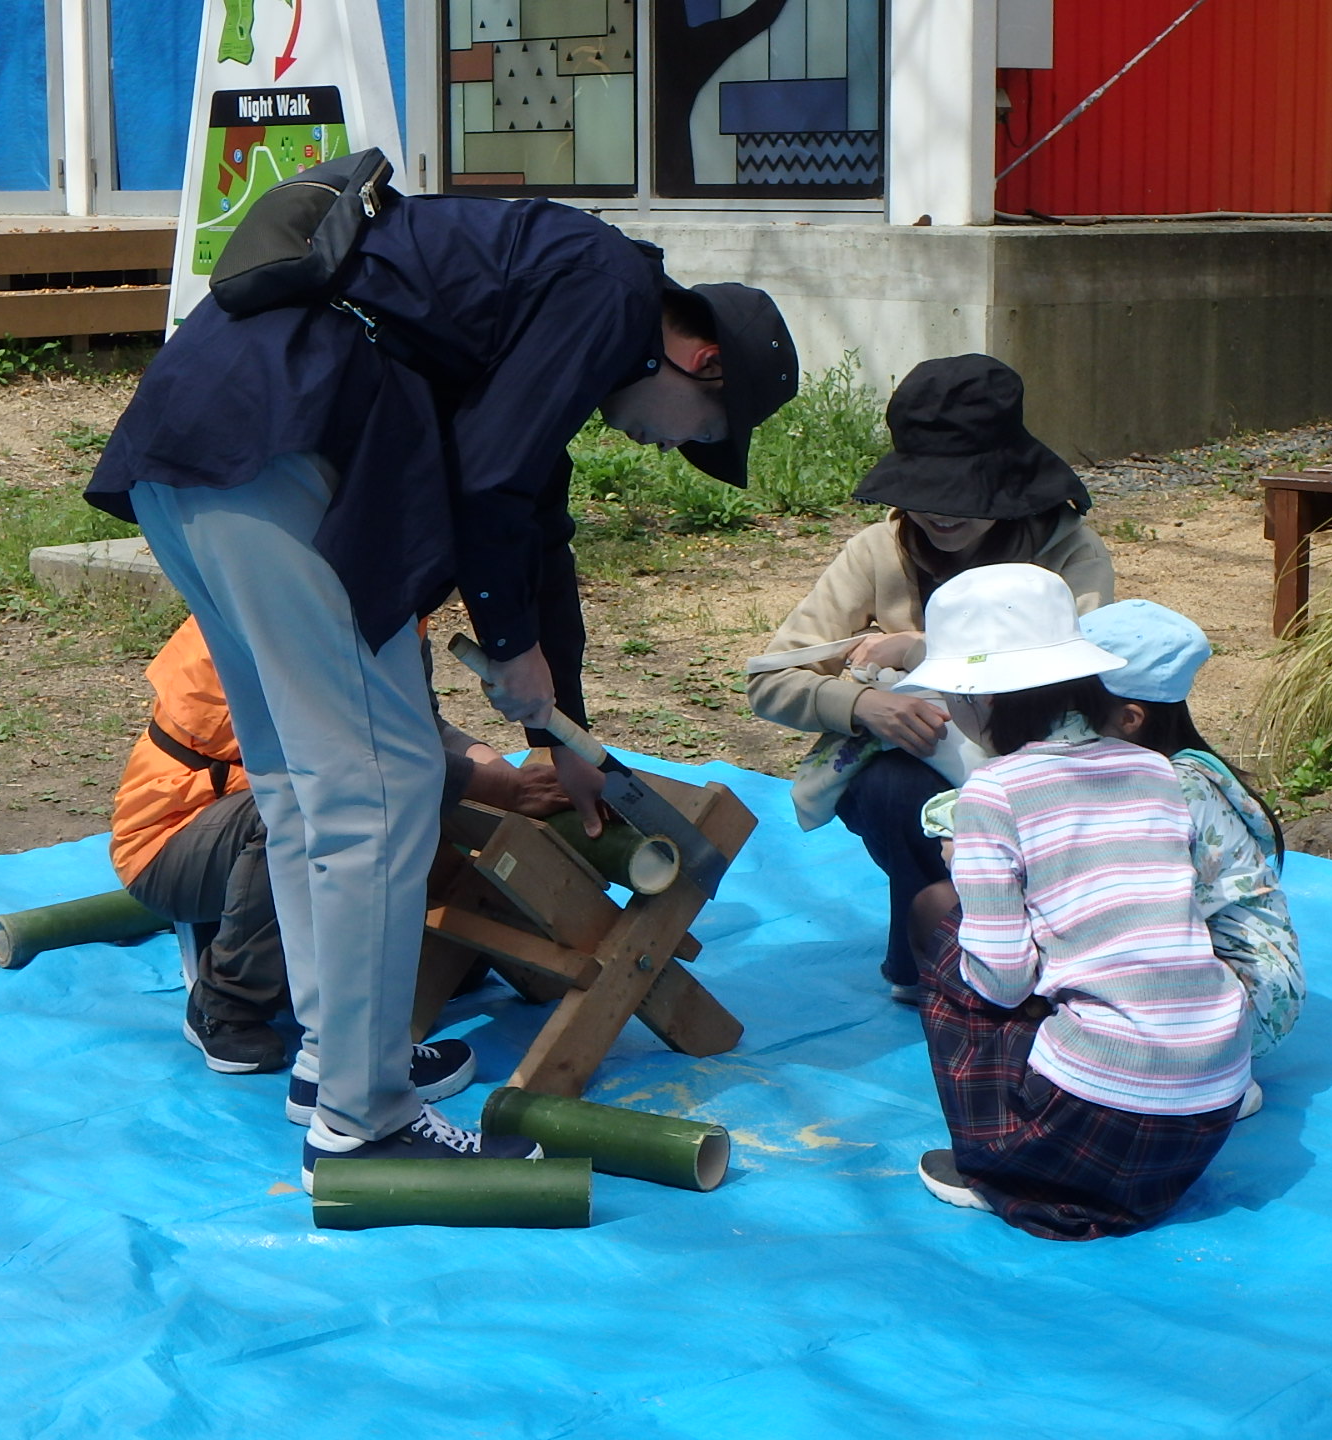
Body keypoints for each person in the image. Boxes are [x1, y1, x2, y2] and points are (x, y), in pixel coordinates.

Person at [85, 189, 797, 1191]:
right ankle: (364, 1121)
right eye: (698, 431)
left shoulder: (566, 294)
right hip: (277, 445)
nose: (668, 447)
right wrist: (512, 650)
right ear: (701, 359)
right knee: (381, 786)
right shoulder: (609, 283)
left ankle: (338, 1060)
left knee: (299, 782)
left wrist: (566, 740)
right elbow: (492, 482)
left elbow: (535, 521)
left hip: (204, 443)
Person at [746, 354, 1113, 1003]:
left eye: (962, 497)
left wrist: (925, 650)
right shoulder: (876, 552)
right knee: (888, 787)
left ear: (1007, 485)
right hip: (920, 773)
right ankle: (945, 952)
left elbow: (1083, 686)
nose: (940, 515)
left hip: (1038, 770)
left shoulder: (1068, 555)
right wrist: (863, 707)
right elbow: (770, 680)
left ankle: (1030, 951)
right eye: (923, 493)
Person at [900, 565, 1250, 1241]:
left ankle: (1003, 1171)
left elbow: (1000, 982)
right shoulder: (1152, 767)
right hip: (1207, 1112)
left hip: (1096, 1123)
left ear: (981, 702)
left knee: (948, 940)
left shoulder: (994, 793)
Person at [109, 614, 571, 1085]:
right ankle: (224, 1003)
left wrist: (500, 774)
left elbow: (419, 727)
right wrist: (500, 789)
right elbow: (366, 753)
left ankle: (421, 950)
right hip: (171, 840)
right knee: (317, 809)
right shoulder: (301, 602)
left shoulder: (392, 605)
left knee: (394, 797)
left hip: (254, 803)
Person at [1077, 600, 1304, 1120]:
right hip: (1248, 990)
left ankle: (1208, 1076)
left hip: (1242, 1002)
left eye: (1069, 707)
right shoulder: (1176, 765)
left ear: (1128, 719)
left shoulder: (1166, 792)